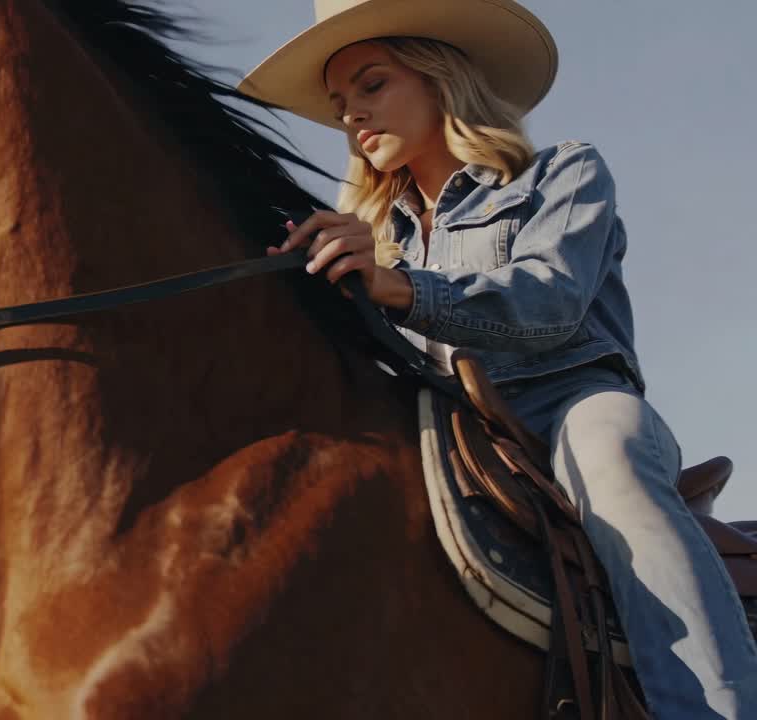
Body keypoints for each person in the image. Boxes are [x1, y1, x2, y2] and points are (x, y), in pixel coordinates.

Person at [238, 1, 757, 717]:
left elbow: (549, 302)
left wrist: (398, 286)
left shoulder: (562, 174)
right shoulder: (364, 239)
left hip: (571, 401)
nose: (351, 115)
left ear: (438, 77)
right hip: (440, 428)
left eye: (371, 84)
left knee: (611, 465)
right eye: (339, 104)